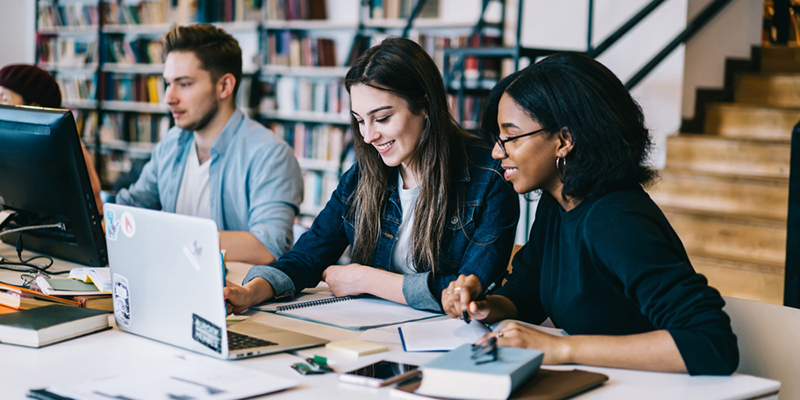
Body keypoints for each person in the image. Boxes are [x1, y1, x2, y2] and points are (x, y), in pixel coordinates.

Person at [442, 53, 739, 375]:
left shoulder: (616, 219)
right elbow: (528, 291)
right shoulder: (559, 203)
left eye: (510, 137)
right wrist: (483, 307)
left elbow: (711, 342)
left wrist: (561, 348)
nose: (498, 152)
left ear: (564, 140)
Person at [224, 38, 519, 312]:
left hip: (449, 343)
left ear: (426, 105)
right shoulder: (362, 176)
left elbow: (466, 294)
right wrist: (250, 293)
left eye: (382, 118)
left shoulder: (491, 176)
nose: (368, 136)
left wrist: (367, 280)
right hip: (371, 334)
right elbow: (306, 257)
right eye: (359, 120)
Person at [115, 25, 303, 265]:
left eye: (184, 84)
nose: (169, 98)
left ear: (224, 86)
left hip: (233, 296)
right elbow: (130, 206)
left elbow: (268, 246)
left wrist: (171, 238)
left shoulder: (270, 154)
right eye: (168, 83)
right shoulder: (172, 142)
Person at [0, 64, 103, 215]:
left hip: (63, 233)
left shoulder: (67, 150)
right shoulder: (9, 145)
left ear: (34, 107)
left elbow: (91, 211)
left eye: (5, 99)